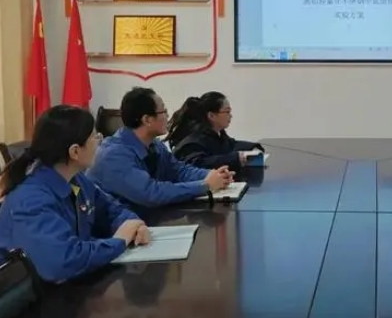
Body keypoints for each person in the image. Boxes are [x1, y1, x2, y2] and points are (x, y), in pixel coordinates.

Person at [0, 105, 151, 283]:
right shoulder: (30, 200)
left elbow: (110, 209)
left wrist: (134, 226)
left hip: (72, 285)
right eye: (95, 137)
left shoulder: (75, 179)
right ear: (75, 151)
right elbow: (63, 262)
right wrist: (119, 241)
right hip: (32, 296)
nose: (100, 141)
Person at [86, 87, 234, 208]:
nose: (168, 116)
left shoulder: (154, 144)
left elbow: (179, 171)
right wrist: (204, 185)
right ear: (147, 119)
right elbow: (151, 193)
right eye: (163, 111)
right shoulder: (113, 155)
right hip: (116, 229)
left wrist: (212, 175)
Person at [166, 92, 263, 171]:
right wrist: (236, 159)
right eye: (227, 112)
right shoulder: (194, 140)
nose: (231, 116)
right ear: (211, 116)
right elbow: (200, 164)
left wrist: (253, 148)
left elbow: (231, 144)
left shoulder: (217, 133)